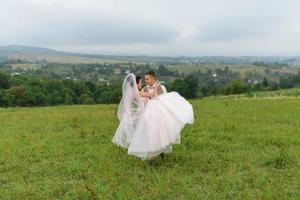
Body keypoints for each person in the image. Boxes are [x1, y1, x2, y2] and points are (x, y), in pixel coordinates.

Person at [112, 72, 194, 160]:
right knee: (151, 132)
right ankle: (154, 150)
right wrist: (155, 88)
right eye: (142, 81)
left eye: (147, 79)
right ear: (136, 84)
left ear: (153, 78)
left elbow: (162, 97)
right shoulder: (140, 91)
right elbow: (150, 95)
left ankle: (159, 149)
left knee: (157, 131)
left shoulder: (157, 88)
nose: (144, 82)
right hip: (148, 113)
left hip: (153, 112)